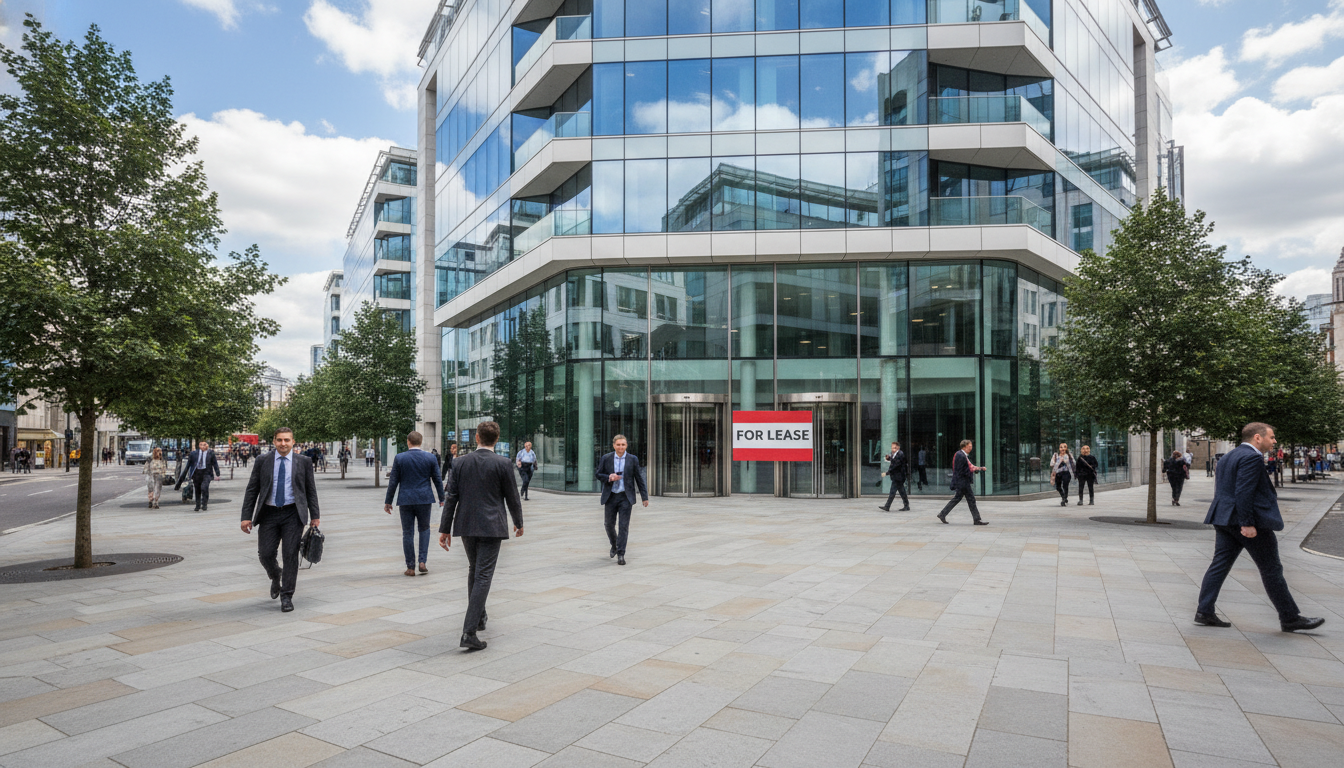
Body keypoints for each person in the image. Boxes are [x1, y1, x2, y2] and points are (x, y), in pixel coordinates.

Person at [1195, 423, 1324, 632]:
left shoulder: (1228, 456)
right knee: (1271, 568)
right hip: (1246, 522)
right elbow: (1244, 492)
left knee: (1219, 564)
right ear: (1257, 437)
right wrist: (1247, 523)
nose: (1274, 441)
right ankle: (1290, 618)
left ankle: (1204, 611)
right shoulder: (1252, 457)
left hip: (1224, 519)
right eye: (1272, 437)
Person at [438, 420, 522, 651]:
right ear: (496, 439)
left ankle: (479, 617)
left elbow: (451, 497)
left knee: (474, 570)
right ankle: (469, 631)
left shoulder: (460, 462)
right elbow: (512, 497)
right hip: (492, 526)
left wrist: (445, 529)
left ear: (477, 438)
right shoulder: (503, 463)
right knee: (483, 575)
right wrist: (518, 522)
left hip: (466, 524)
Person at [240, 427, 320, 612]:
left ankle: (287, 596)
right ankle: (276, 574)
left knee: (290, 555)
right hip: (268, 513)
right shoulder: (263, 460)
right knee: (266, 553)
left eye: (286, 440)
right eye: (279, 440)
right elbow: (252, 489)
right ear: (274, 441)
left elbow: (311, 490)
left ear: (293, 441)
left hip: (293, 514)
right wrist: (246, 517)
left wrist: (315, 515)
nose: (283, 444)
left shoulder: (304, 462)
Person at [385, 430, 446, 577]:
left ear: (408, 441)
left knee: (407, 532)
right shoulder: (430, 458)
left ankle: (410, 567)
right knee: (424, 529)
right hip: (424, 499)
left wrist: (388, 501)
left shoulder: (400, 458)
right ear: (421, 441)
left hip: (405, 500)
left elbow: (393, 481)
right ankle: (422, 561)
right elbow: (437, 479)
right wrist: (442, 498)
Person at [595, 435, 649, 565]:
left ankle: (621, 553)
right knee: (608, 524)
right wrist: (609, 477)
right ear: (614, 445)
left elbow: (639, 478)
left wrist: (644, 497)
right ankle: (614, 545)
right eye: (618, 445)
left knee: (623, 526)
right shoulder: (606, 458)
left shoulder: (632, 459)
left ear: (626, 446)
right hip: (611, 496)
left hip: (626, 496)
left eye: (623, 445)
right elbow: (598, 474)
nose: (620, 447)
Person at [938, 440, 987, 525]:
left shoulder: (961, 455)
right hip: (963, 482)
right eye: (969, 446)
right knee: (971, 499)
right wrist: (976, 469)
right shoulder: (961, 455)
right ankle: (977, 520)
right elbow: (962, 469)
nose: (971, 448)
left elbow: (969, 467)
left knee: (957, 498)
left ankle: (942, 514)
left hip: (962, 481)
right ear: (964, 446)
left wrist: (978, 469)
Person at [177, 440, 221, 512]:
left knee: (204, 487)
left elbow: (214, 463)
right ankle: (197, 505)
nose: (203, 446)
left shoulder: (211, 453)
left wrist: (217, 473)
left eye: (204, 445)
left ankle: (204, 504)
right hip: (197, 473)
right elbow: (188, 465)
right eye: (201, 445)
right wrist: (184, 475)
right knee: (197, 489)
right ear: (199, 446)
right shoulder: (194, 454)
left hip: (206, 473)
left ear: (207, 445)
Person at [879, 441, 909, 512]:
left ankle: (887, 506)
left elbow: (896, 466)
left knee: (892, 492)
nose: (893, 449)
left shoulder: (900, 454)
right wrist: (889, 458)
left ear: (898, 447)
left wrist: (887, 473)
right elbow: (894, 460)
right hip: (897, 476)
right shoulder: (896, 454)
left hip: (898, 477)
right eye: (892, 447)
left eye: (895, 448)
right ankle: (906, 505)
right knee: (902, 492)